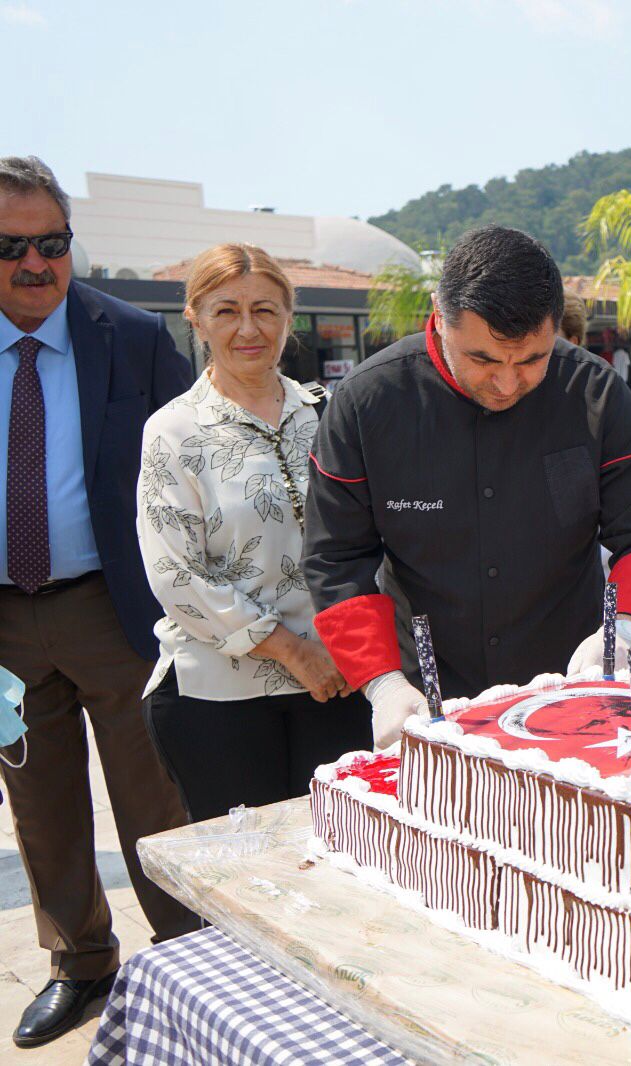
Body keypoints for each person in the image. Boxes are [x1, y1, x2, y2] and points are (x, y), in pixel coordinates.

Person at [301, 225, 631, 748]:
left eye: (532, 360)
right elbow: (335, 560)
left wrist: (624, 632)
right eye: (483, 359)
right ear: (440, 314)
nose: (507, 383)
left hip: (570, 690)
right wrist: (382, 682)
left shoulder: (596, 394)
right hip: (427, 697)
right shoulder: (365, 404)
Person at [0, 156, 198, 1049]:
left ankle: (190, 959)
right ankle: (82, 965)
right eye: (10, 247)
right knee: (37, 802)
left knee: (152, 795)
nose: (35, 262)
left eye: (52, 242)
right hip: (4, 623)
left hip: (116, 610)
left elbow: (185, 468)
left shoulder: (132, 337)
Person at [137, 243, 372, 823]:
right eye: (226, 311)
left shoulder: (331, 414)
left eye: (265, 310)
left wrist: (350, 649)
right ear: (195, 318)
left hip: (340, 684)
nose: (249, 329)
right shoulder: (174, 431)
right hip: (221, 698)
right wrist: (295, 653)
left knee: (347, 865)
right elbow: (177, 576)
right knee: (251, 876)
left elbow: (373, 539)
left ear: (289, 317)